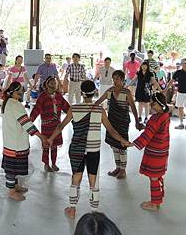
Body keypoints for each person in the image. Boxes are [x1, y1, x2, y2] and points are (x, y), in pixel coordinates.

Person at [49, 80, 130, 218]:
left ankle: (72, 209)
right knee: (93, 181)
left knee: (76, 178)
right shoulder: (99, 110)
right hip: (93, 151)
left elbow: (60, 126)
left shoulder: (74, 108)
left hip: (76, 149)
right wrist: (124, 141)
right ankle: (94, 212)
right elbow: (111, 130)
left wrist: (50, 139)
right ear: (94, 93)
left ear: (81, 93)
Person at [1, 82, 47, 201]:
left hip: (13, 140)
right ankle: (11, 191)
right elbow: (26, 123)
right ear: (16, 93)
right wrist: (41, 136)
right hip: (14, 143)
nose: (23, 93)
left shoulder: (10, 102)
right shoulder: (15, 105)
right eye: (21, 91)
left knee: (14, 167)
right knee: (11, 168)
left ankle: (15, 186)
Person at [129, 92, 171, 211]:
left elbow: (147, 135)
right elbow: (154, 130)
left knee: (153, 177)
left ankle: (154, 203)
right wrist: (145, 127)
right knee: (157, 176)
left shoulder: (155, 118)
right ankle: (158, 198)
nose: (151, 105)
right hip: (162, 151)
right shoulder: (165, 116)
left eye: (153, 103)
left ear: (158, 104)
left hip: (155, 153)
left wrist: (132, 144)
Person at [95, 70, 140, 180]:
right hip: (111, 122)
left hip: (123, 122)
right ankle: (118, 167)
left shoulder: (126, 92)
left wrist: (137, 121)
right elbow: (98, 102)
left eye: (118, 79)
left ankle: (123, 170)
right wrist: (89, 107)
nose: (115, 81)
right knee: (114, 145)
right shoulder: (109, 91)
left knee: (122, 145)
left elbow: (133, 107)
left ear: (123, 80)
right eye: (114, 79)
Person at [30, 76, 70, 172]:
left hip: (57, 126)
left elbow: (67, 108)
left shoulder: (59, 96)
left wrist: (75, 115)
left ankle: (54, 163)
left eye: (55, 84)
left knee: (54, 146)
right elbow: (36, 109)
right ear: (46, 85)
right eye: (51, 83)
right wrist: (30, 120)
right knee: (46, 145)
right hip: (46, 126)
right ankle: (46, 164)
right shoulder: (43, 96)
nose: (54, 85)